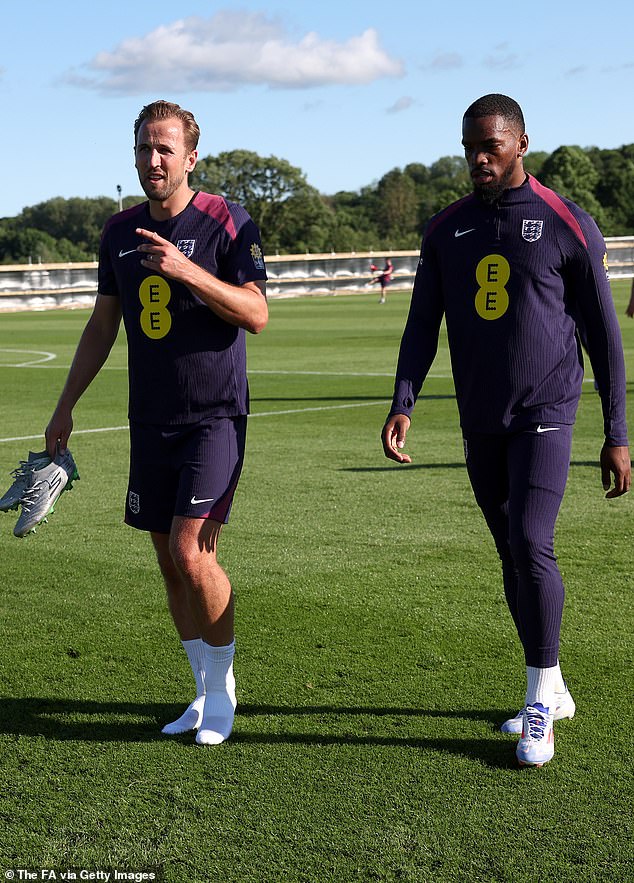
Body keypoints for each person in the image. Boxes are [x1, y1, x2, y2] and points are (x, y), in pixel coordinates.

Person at [382, 94, 630, 768]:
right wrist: (403, 399)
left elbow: (606, 336)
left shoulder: (566, 224)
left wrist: (617, 430)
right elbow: (419, 323)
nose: (478, 160)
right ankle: (553, 680)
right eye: (469, 148)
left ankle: (539, 707)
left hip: (547, 408)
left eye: (490, 146)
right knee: (509, 556)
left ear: (521, 142)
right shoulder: (445, 230)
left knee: (530, 539)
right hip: (480, 416)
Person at [45, 100, 268, 745]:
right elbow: (101, 325)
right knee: (169, 564)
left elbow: (255, 313)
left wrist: (186, 270)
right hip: (150, 419)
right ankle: (201, 693)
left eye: (166, 148)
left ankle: (223, 693)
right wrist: (65, 407)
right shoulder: (118, 233)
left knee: (187, 550)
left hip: (213, 416)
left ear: (191, 157)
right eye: (144, 147)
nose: (154, 159)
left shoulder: (227, 221)